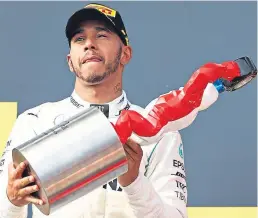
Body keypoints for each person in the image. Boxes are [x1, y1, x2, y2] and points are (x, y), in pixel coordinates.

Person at [0, 3, 194, 218]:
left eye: (101, 35)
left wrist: (134, 182)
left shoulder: (157, 131)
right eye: (79, 39)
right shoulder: (34, 123)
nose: (89, 44)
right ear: (70, 62)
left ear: (125, 54)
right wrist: (12, 201)